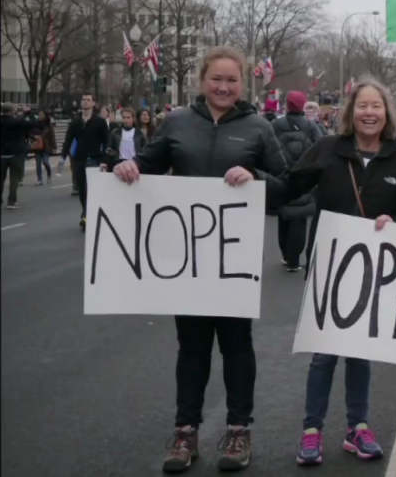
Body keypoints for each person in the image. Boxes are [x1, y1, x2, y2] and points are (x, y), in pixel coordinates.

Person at [112, 46, 289, 473]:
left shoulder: (258, 128)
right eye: (216, 79)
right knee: (191, 348)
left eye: (232, 80)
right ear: (201, 80)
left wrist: (257, 178)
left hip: (233, 260)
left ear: (243, 83)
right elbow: (147, 167)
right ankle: (185, 431)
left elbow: (288, 184)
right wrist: (128, 168)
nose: (223, 87)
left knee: (236, 347)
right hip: (187, 259)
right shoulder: (176, 123)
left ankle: (238, 430)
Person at [263, 78, 396, 468]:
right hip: (331, 265)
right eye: (362, 106)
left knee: (360, 354)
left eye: (377, 106)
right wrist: (247, 184)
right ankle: (311, 431)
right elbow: (288, 187)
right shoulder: (327, 149)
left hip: (377, 269)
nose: (369, 113)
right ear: (351, 113)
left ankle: (358, 427)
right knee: (324, 354)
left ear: (387, 114)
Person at [272, 91, 323, 273]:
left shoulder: (276, 125)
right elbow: (321, 147)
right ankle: (294, 260)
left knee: (283, 216)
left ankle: (286, 255)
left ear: (287, 104)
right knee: (299, 219)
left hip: (282, 175)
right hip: (305, 177)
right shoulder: (311, 127)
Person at [61, 93, 109, 229]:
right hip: (79, 161)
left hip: (94, 160)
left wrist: (105, 159)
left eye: (88, 100)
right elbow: (68, 139)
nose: (85, 102)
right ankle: (86, 212)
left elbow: (107, 142)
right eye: (83, 100)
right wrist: (62, 158)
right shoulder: (76, 122)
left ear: (94, 103)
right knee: (82, 191)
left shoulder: (99, 122)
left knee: (90, 190)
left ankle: (87, 216)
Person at [0, 104, 36, 208]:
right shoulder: (17, 122)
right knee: (14, 178)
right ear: (12, 111)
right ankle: (12, 201)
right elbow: (33, 123)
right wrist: (28, 113)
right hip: (16, 154)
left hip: (2, 154)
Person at [30, 109, 57, 185]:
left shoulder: (48, 125)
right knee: (38, 164)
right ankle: (39, 180)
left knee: (45, 162)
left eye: (42, 115)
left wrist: (54, 147)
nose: (40, 116)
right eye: (39, 115)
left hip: (46, 146)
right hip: (37, 147)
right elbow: (30, 133)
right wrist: (33, 137)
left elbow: (52, 136)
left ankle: (49, 174)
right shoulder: (35, 124)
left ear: (45, 116)